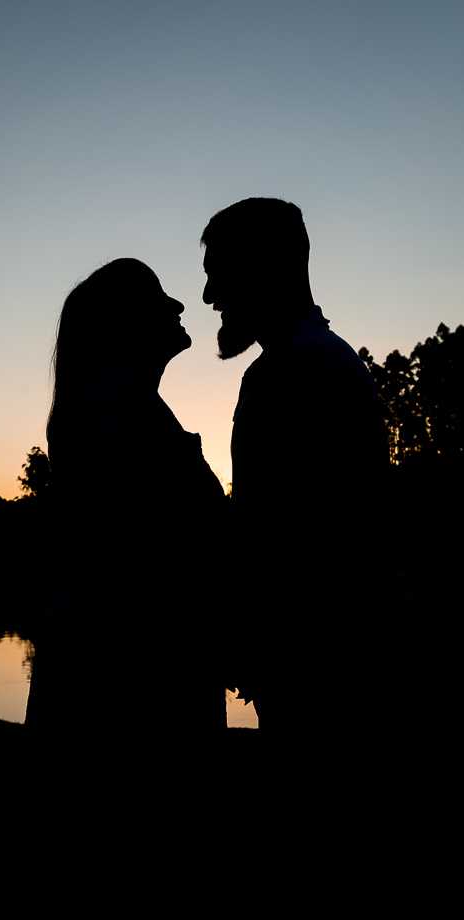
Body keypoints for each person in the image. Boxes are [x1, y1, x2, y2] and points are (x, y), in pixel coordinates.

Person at [200, 197, 396, 762]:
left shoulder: (299, 369)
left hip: (330, 675)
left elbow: (319, 539)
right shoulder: (309, 359)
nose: (211, 297)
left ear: (265, 268)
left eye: (220, 277)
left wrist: (268, 645)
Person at [24, 258, 229, 753]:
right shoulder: (121, 400)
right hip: (129, 685)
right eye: (159, 295)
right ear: (126, 322)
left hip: (121, 667)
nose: (179, 304)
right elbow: (126, 543)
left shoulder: (119, 401)